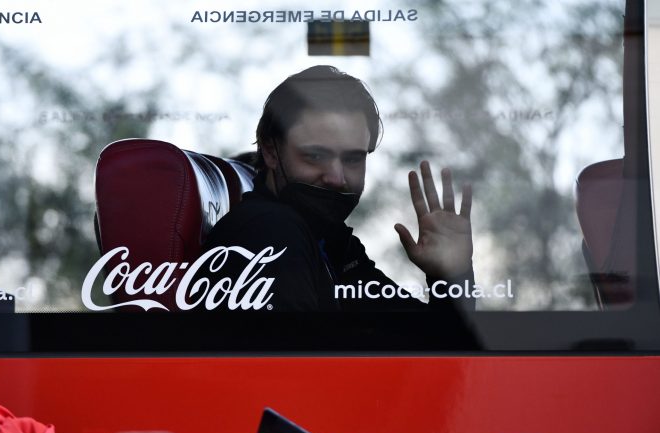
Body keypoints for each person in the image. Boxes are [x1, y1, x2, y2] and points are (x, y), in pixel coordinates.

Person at [202, 65, 474, 312]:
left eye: (353, 159)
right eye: (316, 156)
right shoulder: (270, 232)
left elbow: (437, 353)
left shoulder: (332, 244)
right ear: (271, 150)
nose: (336, 177)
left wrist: (451, 276)